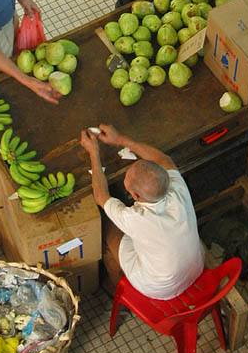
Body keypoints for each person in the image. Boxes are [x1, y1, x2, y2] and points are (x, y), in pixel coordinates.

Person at [80, 124, 204, 299]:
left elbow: (100, 196)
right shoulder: (177, 189)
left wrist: (93, 151)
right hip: (194, 268)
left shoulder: (134, 218)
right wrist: (120, 139)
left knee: (107, 224)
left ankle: (114, 285)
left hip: (158, 288)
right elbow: (165, 159)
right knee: (128, 227)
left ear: (135, 195)